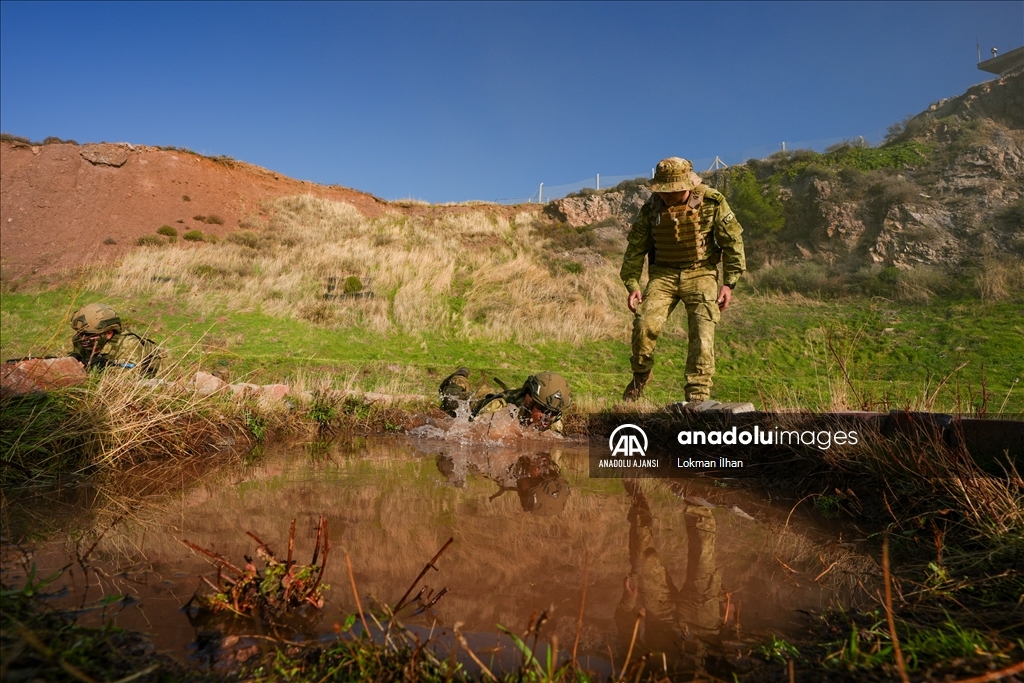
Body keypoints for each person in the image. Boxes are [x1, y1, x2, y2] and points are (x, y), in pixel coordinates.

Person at [620, 157, 746, 403]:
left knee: (702, 332)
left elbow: (733, 242)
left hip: (701, 273)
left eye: (672, 190)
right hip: (663, 275)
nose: (666, 195)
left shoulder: (712, 202)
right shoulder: (652, 208)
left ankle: (697, 396)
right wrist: (632, 284)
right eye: (663, 190)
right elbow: (635, 248)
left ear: (688, 183)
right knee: (644, 325)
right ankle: (641, 375)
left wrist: (729, 283)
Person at [438, 368, 571, 434]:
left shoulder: (554, 421)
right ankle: (460, 376)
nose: (547, 418)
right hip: (478, 402)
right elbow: (471, 431)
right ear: (529, 399)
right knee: (449, 401)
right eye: (542, 410)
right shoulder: (499, 407)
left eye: (553, 412)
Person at [69, 303, 162, 376]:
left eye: (90, 335)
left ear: (109, 333)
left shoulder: (128, 344)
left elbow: (127, 377)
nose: (83, 339)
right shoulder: (78, 340)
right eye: (80, 333)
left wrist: (98, 367)